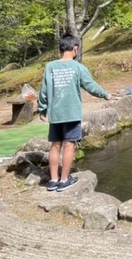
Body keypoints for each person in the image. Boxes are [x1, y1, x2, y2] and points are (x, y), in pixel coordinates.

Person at [38, 33, 113, 192]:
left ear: (60, 49)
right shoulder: (78, 67)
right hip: (71, 113)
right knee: (69, 144)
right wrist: (105, 95)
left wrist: (42, 109)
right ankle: (64, 180)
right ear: (75, 49)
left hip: (55, 113)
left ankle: (53, 181)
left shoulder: (50, 67)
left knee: (55, 145)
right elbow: (90, 86)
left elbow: (43, 91)